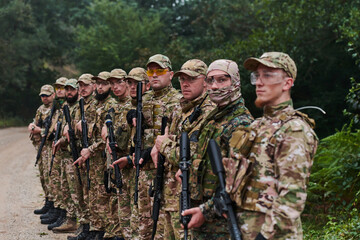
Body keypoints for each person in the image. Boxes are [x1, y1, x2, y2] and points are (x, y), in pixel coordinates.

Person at [222, 52, 318, 240]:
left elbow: (292, 198)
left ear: (287, 83)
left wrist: (263, 237)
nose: (258, 82)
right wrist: (204, 211)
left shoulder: (294, 130)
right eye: (257, 76)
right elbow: (237, 183)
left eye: (267, 75)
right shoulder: (256, 127)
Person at [180, 59, 253, 239]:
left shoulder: (240, 123)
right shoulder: (214, 118)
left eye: (222, 80)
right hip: (203, 216)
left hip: (222, 221)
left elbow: (240, 182)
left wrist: (206, 211)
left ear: (235, 81)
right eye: (211, 80)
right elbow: (203, 158)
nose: (214, 86)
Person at [151, 59, 216, 239]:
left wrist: (163, 144)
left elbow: (191, 156)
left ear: (205, 81)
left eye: (191, 79)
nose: (185, 84)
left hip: (188, 197)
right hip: (169, 193)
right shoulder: (182, 109)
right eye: (182, 80)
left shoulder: (208, 111)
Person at [127, 54, 182, 240]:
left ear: (171, 74)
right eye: (151, 71)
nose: (155, 75)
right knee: (142, 221)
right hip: (142, 171)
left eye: (160, 71)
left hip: (164, 174)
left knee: (160, 225)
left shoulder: (178, 102)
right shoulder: (145, 99)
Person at [74, 71, 117, 239]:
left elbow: (106, 137)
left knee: (103, 196)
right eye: (98, 83)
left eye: (103, 84)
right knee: (93, 194)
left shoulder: (110, 105)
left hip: (103, 158)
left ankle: (102, 231)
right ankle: (95, 229)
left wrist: (90, 149)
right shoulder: (95, 105)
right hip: (92, 159)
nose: (100, 87)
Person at [110, 67, 151, 239]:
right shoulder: (130, 107)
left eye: (137, 83)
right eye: (130, 83)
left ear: (147, 86)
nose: (132, 87)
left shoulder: (150, 106)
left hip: (145, 170)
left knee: (142, 220)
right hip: (129, 166)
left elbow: (150, 141)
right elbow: (124, 140)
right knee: (129, 215)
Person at [67, 73, 96, 240]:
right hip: (80, 154)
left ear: (93, 85)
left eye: (85, 85)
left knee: (92, 194)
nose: (82, 89)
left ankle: (92, 229)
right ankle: (85, 226)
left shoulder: (95, 105)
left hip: (93, 156)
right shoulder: (80, 105)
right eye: (81, 86)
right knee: (83, 193)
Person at [51, 78, 81, 233]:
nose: (69, 92)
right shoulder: (65, 106)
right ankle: (69, 219)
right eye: (67, 89)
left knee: (76, 190)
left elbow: (75, 130)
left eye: (72, 89)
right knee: (66, 188)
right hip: (65, 153)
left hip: (74, 154)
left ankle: (78, 222)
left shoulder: (80, 106)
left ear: (78, 90)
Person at [29, 84, 55, 215]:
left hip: (50, 147)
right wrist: (32, 126)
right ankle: (47, 201)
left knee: (49, 175)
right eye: (42, 96)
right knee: (43, 175)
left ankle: (52, 203)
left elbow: (54, 130)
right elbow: (36, 123)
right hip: (41, 146)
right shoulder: (40, 109)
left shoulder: (56, 109)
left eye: (47, 95)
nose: (44, 98)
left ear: (53, 95)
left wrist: (39, 130)